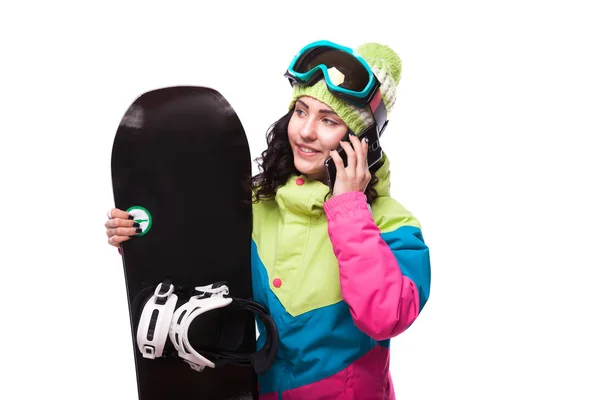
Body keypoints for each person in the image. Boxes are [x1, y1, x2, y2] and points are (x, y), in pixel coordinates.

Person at [105, 40, 431, 399]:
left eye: (328, 121)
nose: (306, 131)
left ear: (361, 141)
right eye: (301, 111)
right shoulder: (262, 202)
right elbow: (201, 262)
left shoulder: (394, 225)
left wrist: (350, 207)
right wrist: (141, 240)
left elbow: (385, 316)